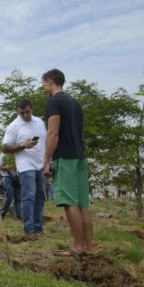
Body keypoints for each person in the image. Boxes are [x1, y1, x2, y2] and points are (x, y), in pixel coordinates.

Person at [42, 69, 91, 256]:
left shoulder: (54, 102)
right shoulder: (74, 102)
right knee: (82, 204)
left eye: (44, 83)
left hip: (65, 157)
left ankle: (78, 248)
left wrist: (46, 161)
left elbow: (53, 133)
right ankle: (87, 247)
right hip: (80, 156)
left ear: (50, 81)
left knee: (70, 203)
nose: (43, 87)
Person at [2, 98, 47, 235]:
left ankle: (38, 228)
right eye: (22, 113)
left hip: (41, 163)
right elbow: (4, 147)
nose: (25, 115)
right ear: (18, 112)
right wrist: (23, 146)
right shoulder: (14, 126)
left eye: (27, 112)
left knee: (40, 196)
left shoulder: (39, 122)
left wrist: (48, 161)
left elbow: (46, 141)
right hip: (25, 164)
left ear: (32, 109)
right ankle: (29, 228)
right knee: (29, 195)